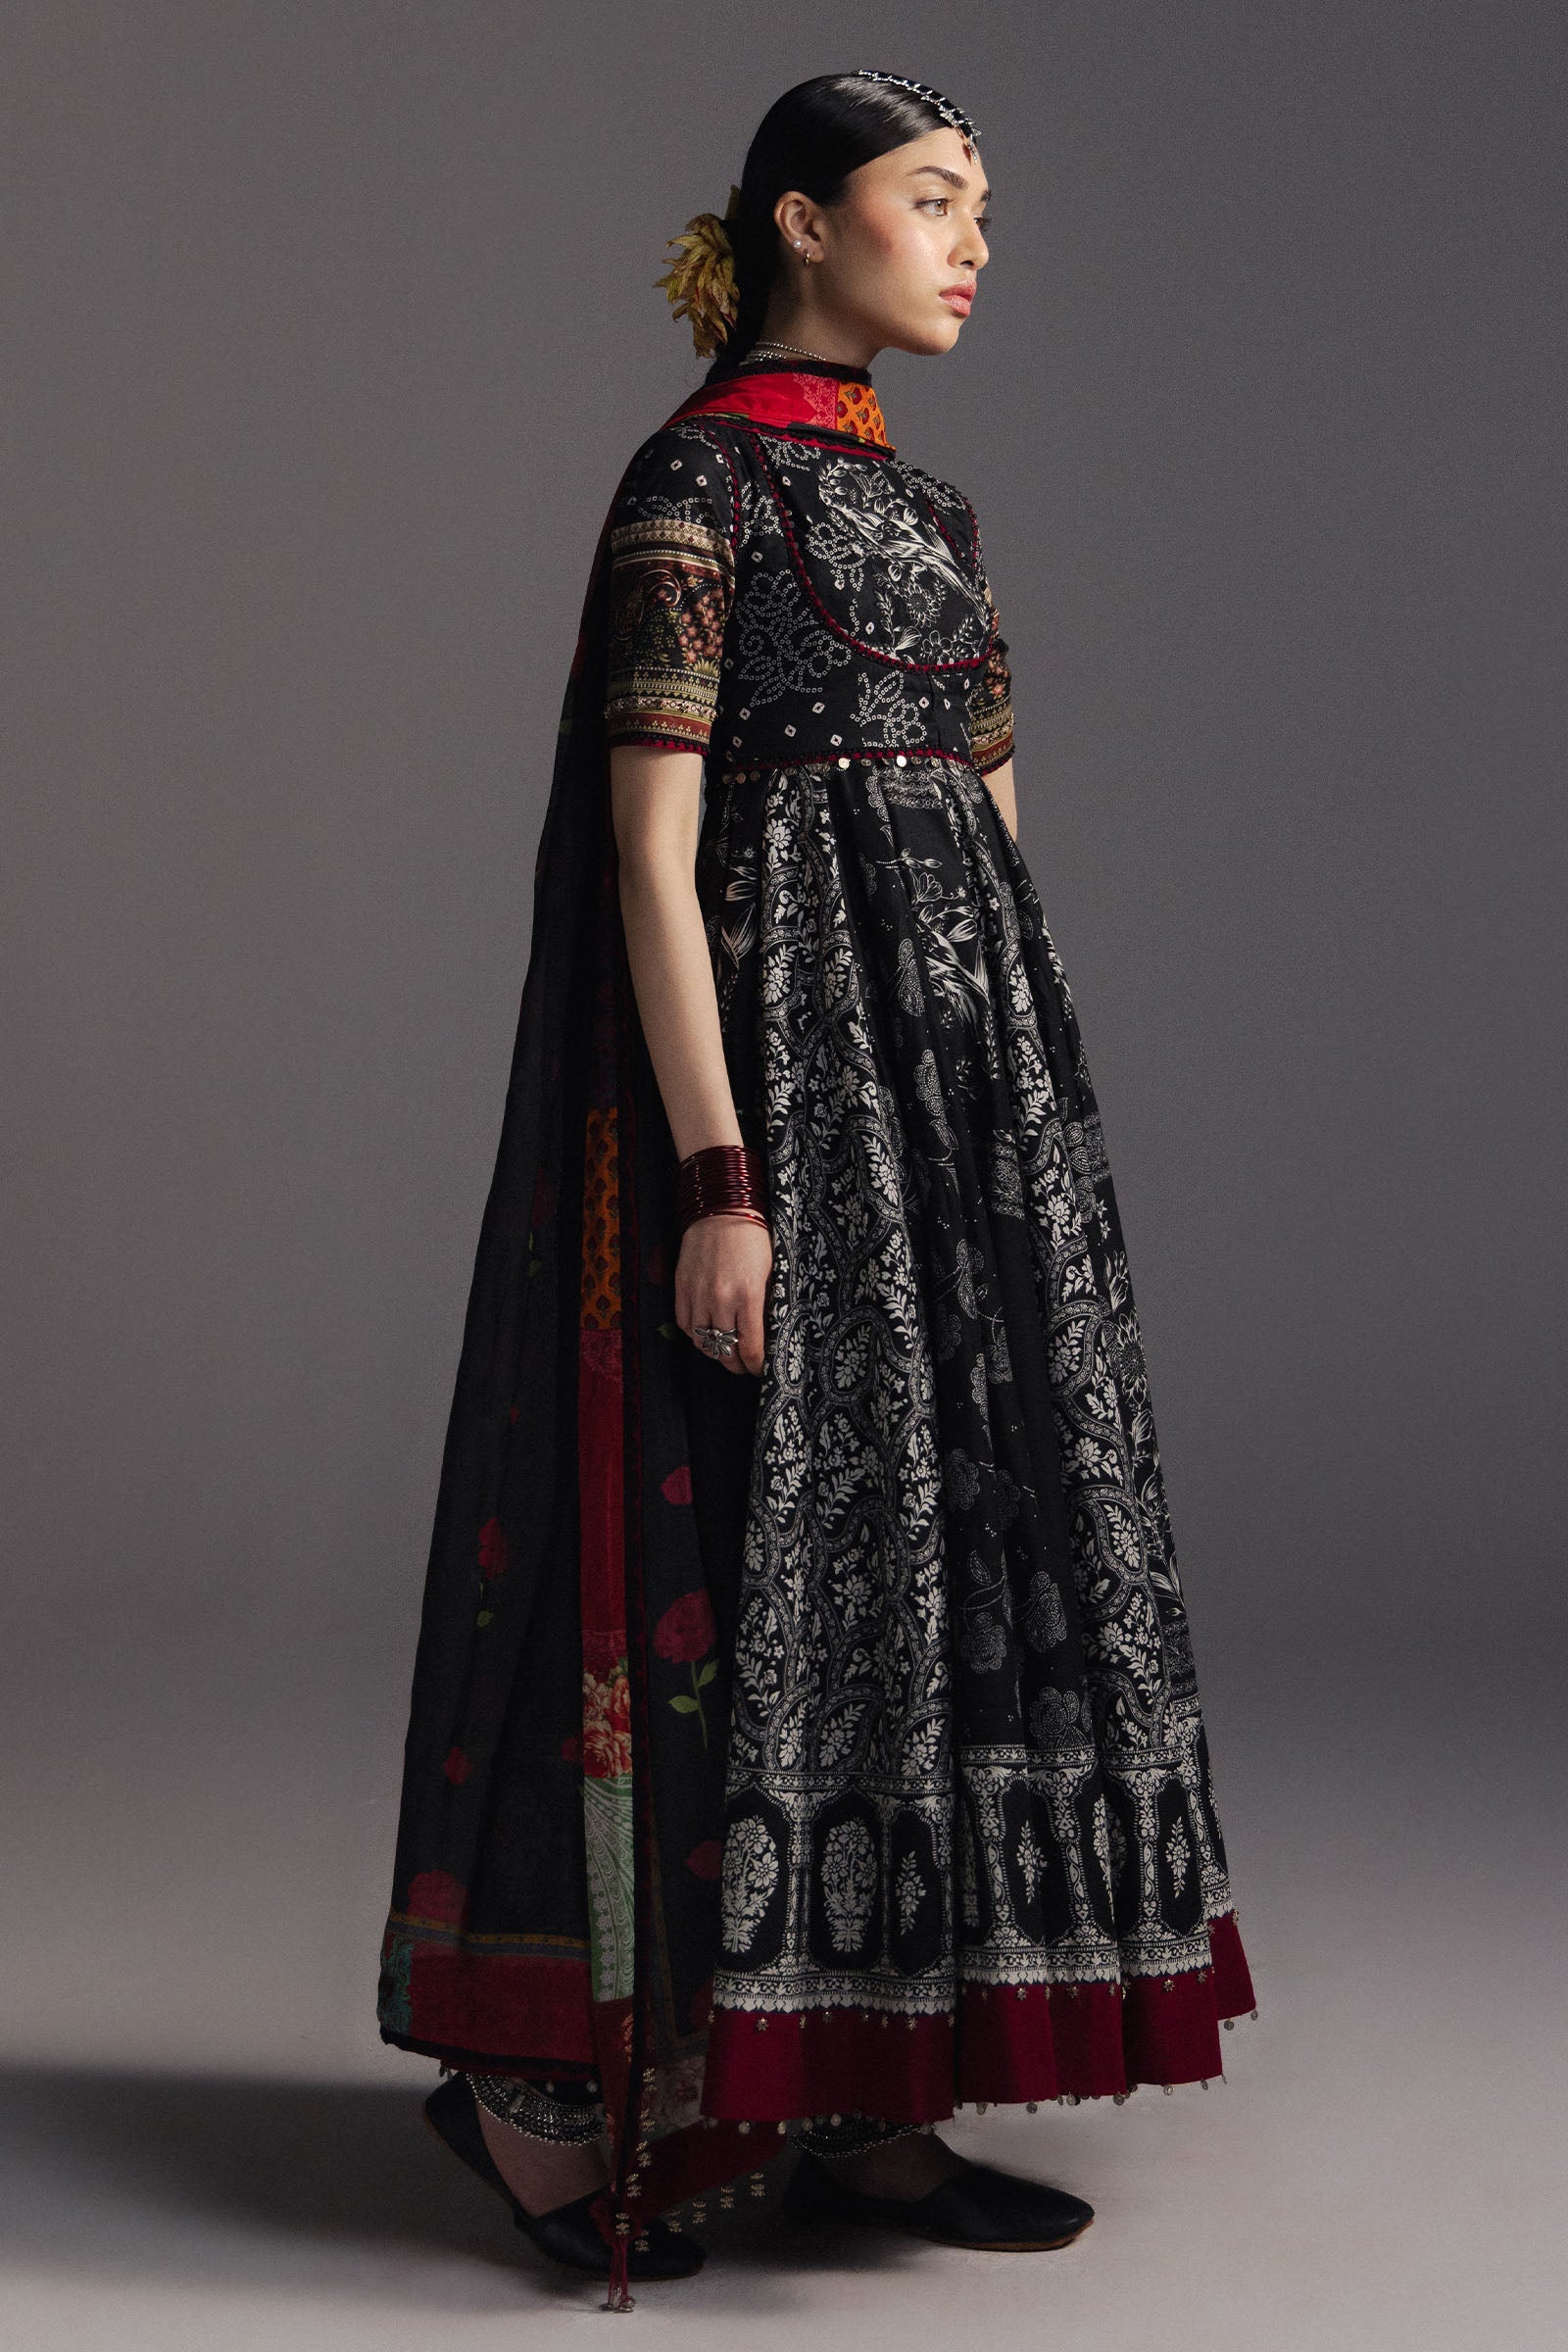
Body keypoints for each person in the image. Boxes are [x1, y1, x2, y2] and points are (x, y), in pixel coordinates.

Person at [376, 71, 1258, 2309]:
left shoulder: (932, 513)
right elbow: (646, 858)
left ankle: (873, 2095)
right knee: (750, 1551)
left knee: (932, 1557)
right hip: (785, 1114)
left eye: (982, 209)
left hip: (957, 1139)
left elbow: (989, 815)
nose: (972, 245)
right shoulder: (694, 491)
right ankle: (542, 2105)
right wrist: (718, 1177)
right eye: (930, 199)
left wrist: (1018, 1120)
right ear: (798, 218)